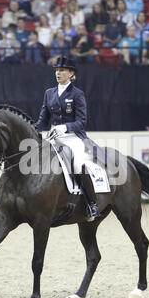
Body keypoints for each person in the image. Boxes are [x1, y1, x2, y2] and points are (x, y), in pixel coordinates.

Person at [35, 56, 100, 221]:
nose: (58, 73)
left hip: (73, 137)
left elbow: (82, 122)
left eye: (62, 70)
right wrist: (33, 128)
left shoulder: (77, 94)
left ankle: (92, 204)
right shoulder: (49, 93)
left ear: (71, 73)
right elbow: (43, 120)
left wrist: (65, 127)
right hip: (53, 137)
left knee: (78, 164)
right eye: (56, 70)